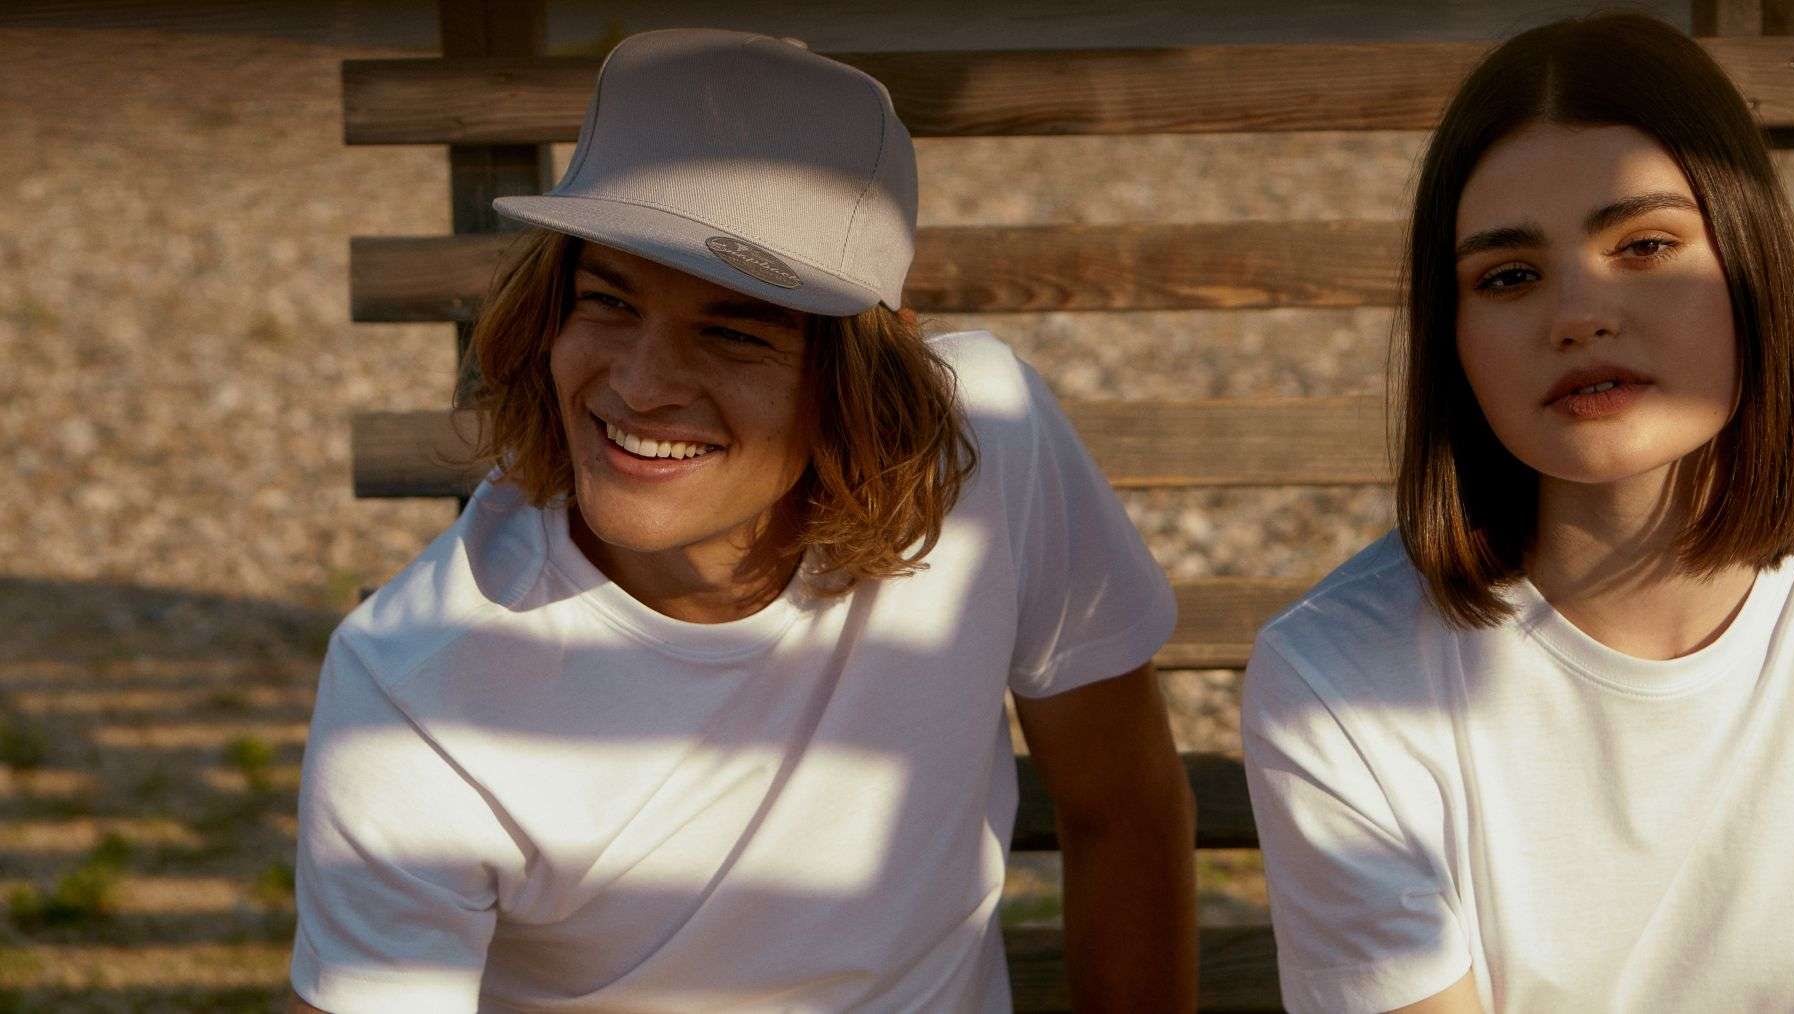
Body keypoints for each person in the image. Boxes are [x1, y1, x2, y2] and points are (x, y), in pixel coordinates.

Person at [290, 29, 1196, 1013]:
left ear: (866, 383)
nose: (641, 386)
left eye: (732, 333)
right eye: (609, 302)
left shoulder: (987, 440)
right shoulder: (413, 691)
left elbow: (1124, 807)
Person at [1240, 13, 1794, 1013]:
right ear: (1453, 340)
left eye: (1645, 245)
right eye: (1509, 276)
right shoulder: (1338, 682)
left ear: (1754, 271)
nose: (1579, 315)